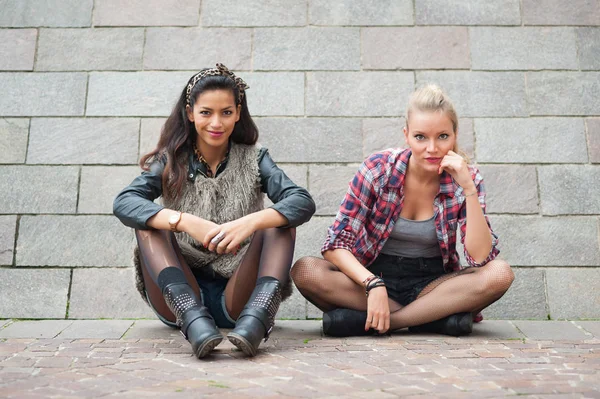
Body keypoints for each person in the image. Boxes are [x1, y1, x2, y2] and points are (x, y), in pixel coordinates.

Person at [113, 64, 315, 358]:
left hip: (238, 295)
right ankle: (194, 321)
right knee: (148, 221)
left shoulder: (255, 159)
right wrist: (183, 221)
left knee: (280, 220)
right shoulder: (170, 160)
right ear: (190, 112)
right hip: (178, 294)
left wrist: (251, 222)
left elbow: (301, 201)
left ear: (238, 113)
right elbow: (125, 201)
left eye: (227, 112)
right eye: (206, 112)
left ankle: (258, 320)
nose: (217, 123)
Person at [291, 85, 514, 337]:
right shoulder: (378, 169)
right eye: (421, 137)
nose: (432, 148)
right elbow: (335, 244)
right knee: (306, 270)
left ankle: (385, 321)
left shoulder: (466, 178)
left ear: (455, 134)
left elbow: (480, 256)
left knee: (499, 274)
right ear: (406, 135)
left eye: (442, 136)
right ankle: (431, 319)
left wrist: (469, 189)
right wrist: (372, 284)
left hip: (433, 285)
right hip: (373, 276)